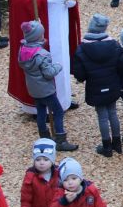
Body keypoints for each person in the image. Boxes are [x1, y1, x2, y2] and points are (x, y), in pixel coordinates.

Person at [7, 0, 81, 116]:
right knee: (43, 62)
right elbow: (22, 1)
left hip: (60, 19)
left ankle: (62, 98)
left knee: (61, 56)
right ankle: (40, 106)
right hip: (43, 24)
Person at [18, 20, 78, 152]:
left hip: (33, 89)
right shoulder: (42, 54)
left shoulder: (22, 50)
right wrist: (58, 66)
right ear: (39, 37)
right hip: (46, 90)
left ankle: (44, 136)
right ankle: (60, 139)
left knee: (40, 111)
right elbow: (48, 74)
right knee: (58, 111)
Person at [72, 13, 123, 157]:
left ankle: (106, 147)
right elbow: (121, 65)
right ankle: (117, 144)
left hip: (95, 86)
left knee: (102, 116)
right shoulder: (114, 45)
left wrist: (81, 78)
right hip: (112, 84)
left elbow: (80, 73)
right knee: (113, 113)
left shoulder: (82, 48)